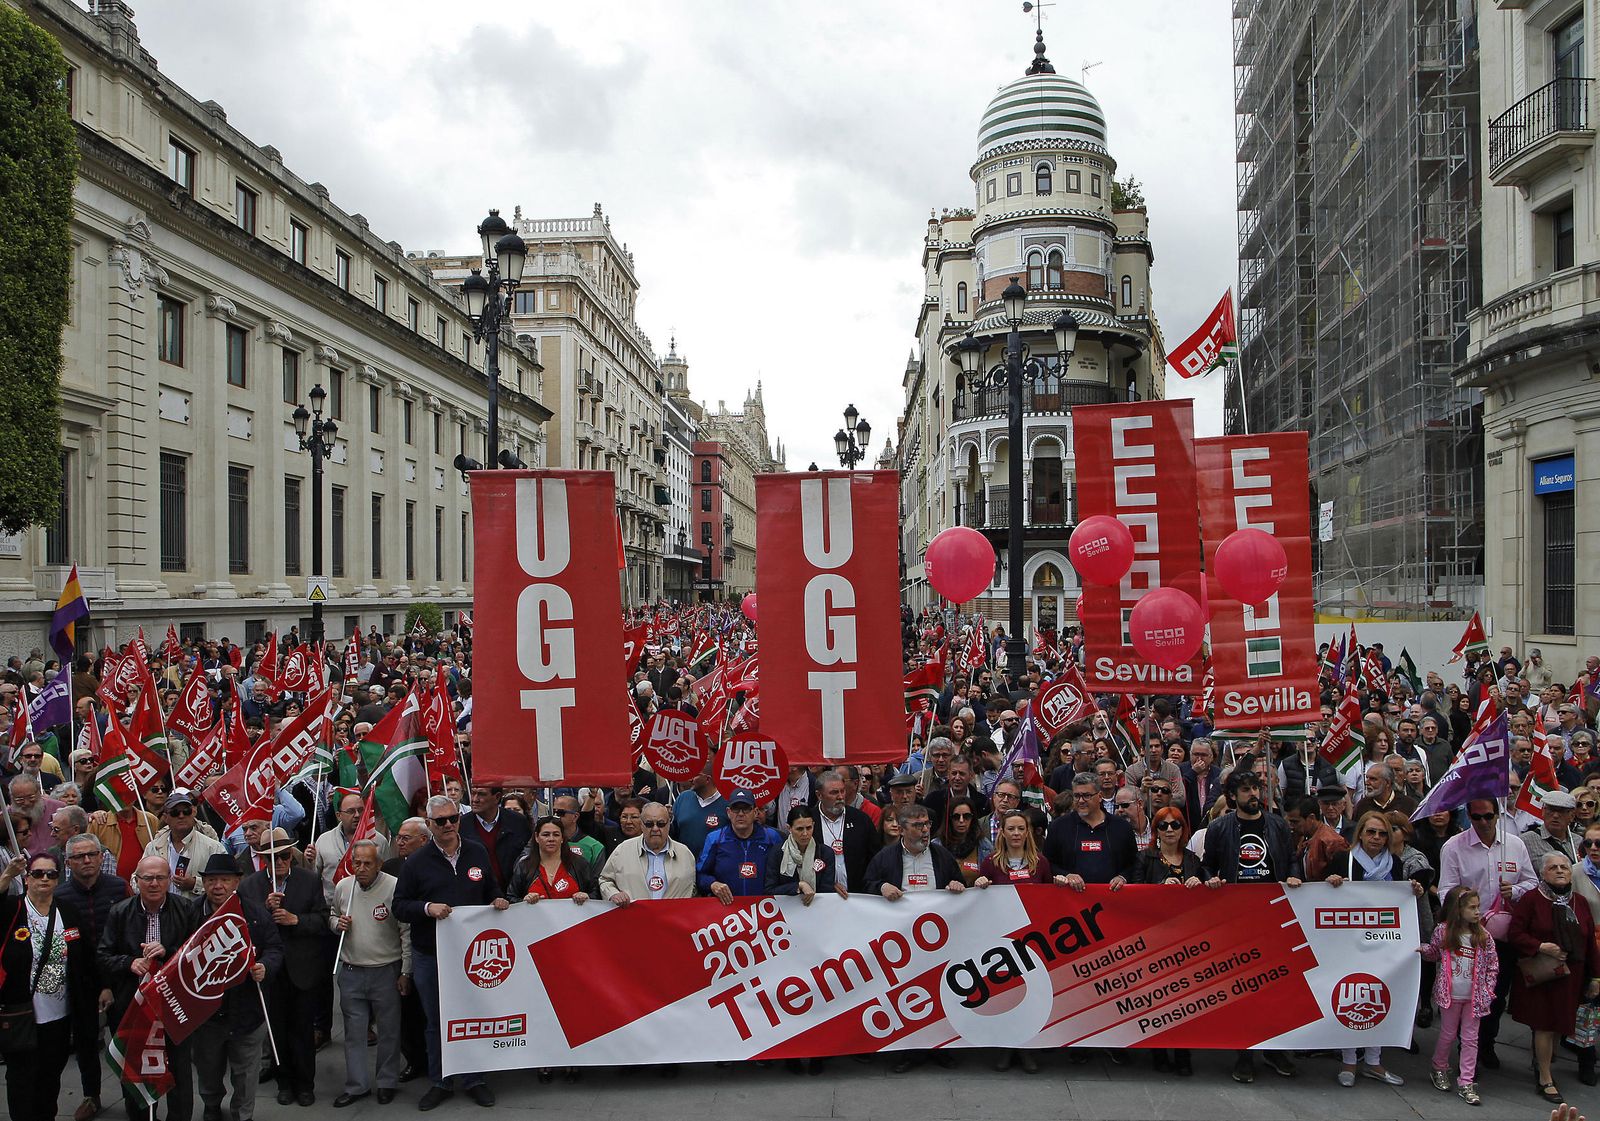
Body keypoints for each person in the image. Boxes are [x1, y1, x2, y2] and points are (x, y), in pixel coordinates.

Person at [392, 795, 511, 1109]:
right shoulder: (416, 862)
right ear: (429, 824)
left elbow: (491, 888)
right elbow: (399, 906)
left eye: (453, 818)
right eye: (441, 821)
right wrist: (427, 908)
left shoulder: (476, 851)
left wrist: (498, 899)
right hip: (430, 955)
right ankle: (440, 1081)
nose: (448, 825)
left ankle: (474, 1079)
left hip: (471, 955)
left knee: (470, 1017)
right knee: (436, 1020)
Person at [1201, 770, 1300, 1083]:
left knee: (1276, 986)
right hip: (1237, 917)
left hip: (1273, 914)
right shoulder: (1219, 827)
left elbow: (1292, 858)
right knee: (1243, 988)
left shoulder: (1278, 825)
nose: (1252, 794)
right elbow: (1206, 865)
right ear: (1232, 796)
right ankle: (1245, 1053)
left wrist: (1295, 875)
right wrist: (1210, 880)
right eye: (1245, 790)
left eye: (1255, 788)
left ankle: (1274, 1050)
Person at [1437, 797, 1539, 1069]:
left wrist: (1514, 891)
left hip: (1503, 936)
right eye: (1477, 817)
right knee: (1467, 995)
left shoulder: (1515, 845)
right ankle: (1465, 1048)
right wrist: (1467, 904)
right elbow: (1446, 890)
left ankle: (1487, 1044)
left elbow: (1532, 883)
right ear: (1468, 816)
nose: (1483, 822)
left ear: (1498, 814)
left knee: (1495, 993)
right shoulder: (1453, 847)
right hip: (1468, 935)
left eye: (1489, 816)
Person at [862, 804, 963, 1075]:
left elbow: (957, 881)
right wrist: (881, 887)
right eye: (918, 825)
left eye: (927, 824)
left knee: (942, 993)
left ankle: (943, 1048)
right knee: (908, 997)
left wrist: (956, 885)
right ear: (903, 829)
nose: (925, 830)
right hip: (901, 941)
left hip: (938, 941)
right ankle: (909, 1051)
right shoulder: (885, 857)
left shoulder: (941, 855)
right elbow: (867, 884)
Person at [97, 855, 198, 1121]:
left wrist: (169, 953)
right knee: (135, 1070)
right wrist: (130, 963)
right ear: (136, 881)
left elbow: (196, 954)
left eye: (160, 878)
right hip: (133, 1003)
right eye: (147, 878)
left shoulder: (185, 909)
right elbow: (103, 955)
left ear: (169, 880)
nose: (154, 883)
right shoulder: (120, 911)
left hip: (173, 1004)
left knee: (179, 1071)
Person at [0, 852, 97, 1121]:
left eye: (51, 874)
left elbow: (86, 954)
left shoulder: (67, 910)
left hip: (59, 1014)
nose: (44, 879)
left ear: (58, 878)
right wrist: (7, 874)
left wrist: (101, 988)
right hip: (22, 1014)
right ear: (27, 878)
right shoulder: (12, 909)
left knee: (50, 1077)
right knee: (21, 1080)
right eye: (38, 874)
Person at [241, 827, 329, 1108]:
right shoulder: (250, 886)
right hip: (270, 971)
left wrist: (296, 920)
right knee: (276, 1029)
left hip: (302, 968)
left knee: (302, 1030)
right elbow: (246, 930)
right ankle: (284, 1082)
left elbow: (323, 920)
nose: (280, 863)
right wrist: (264, 911)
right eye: (273, 858)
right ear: (263, 859)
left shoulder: (309, 880)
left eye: (284, 856)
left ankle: (306, 1085)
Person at [1322, 811, 1412, 1087]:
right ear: (1360, 833)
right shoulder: (1343, 859)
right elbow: (1320, 894)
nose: (1376, 838)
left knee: (1379, 997)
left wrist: (1413, 891)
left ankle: (1374, 1061)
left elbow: (1399, 898)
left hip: (1382, 940)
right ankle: (1349, 1060)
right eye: (1371, 832)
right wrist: (1332, 883)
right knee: (1350, 996)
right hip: (1347, 940)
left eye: (1382, 833)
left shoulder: (1395, 864)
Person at [189, 853, 281, 1121]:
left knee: (246, 1071)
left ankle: (243, 1113)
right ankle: (211, 1106)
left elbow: (275, 948)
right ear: (204, 883)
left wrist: (265, 966)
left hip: (247, 1010)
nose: (218, 886)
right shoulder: (191, 912)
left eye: (225, 880)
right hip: (206, 1013)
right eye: (212, 880)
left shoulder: (255, 913)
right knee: (208, 1068)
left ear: (237, 882)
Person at [1508, 852, 1600, 1103]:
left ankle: (1541, 1060)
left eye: (1564, 867)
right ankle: (1545, 1078)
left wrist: (1596, 977)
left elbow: (1589, 939)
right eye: (1553, 868)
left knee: (1559, 1024)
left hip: (1572, 976)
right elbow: (1515, 933)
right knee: (1544, 1025)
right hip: (1543, 975)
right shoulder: (1531, 900)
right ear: (1543, 873)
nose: (1560, 871)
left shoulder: (1579, 902)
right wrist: (1540, 946)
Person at [331, 839, 410, 1107]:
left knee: (388, 1031)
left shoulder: (394, 887)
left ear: (379, 864)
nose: (361, 868)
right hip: (351, 970)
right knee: (354, 1032)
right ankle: (356, 1085)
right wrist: (335, 923)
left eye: (367, 863)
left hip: (386, 970)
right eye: (357, 863)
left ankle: (387, 1081)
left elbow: (405, 931)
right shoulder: (344, 887)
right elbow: (331, 915)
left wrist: (405, 972)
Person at [53, 834, 126, 1121]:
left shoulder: (118, 888)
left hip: (120, 976)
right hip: (82, 980)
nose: (87, 861)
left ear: (100, 857)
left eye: (92, 854)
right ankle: (91, 1095)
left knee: (125, 1039)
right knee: (85, 1043)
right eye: (79, 856)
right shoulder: (60, 896)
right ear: (68, 862)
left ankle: (132, 1095)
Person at [1419, 886, 1496, 1106]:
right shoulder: (1443, 931)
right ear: (1457, 909)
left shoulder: (1484, 936)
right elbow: (1435, 953)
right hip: (1450, 995)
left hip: (1475, 998)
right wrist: (1423, 950)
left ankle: (1466, 1081)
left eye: (1478, 907)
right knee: (1448, 1034)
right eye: (1472, 907)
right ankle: (1439, 1067)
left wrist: (1488, 991)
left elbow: (1493, 965)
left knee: (1471, 1039)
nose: (1477, 912)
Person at [1043, 773, 1138, 892]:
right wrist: (1066, 875)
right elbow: (1048, 863)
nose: (1081, 801)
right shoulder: (1058, 826)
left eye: (1086, 796)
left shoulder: (1121, 827)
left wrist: (1123, 877)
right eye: (1077, 796)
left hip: (1114, 899)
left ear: (1099, 796)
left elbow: (1134, 863)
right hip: (1072, 901)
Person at [598, 802, 696, 903]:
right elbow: (605, 880)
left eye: (661, 824)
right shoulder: (622, 850)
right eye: (649, 824)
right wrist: (613, 894)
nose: (655, 829)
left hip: (672, 917)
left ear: (669, 824)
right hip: (635, 916)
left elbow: (693, 890)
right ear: (641, 825)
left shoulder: (685, 854)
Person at [697, 791, 781, 903]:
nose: (740, 814)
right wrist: (712, 884)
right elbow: (700, 874)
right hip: (727, 913)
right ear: (728, 812)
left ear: (755, 812)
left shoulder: (771, 838)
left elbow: (783, 875)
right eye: (735, 809)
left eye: (746, 809)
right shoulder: (715, 839)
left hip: (764, 911)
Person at [142, 789, 222, 900]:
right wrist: (153, 885)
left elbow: (226, 882)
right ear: (166, 817)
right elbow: (136, 879)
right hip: (163, 911)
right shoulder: (153, 847)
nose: (181, 816)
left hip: (196, 912)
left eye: (186, 811)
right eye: (175, 813)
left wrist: (195, 884)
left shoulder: (213, 847)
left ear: (193, 813)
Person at [458, 783, 530, 892]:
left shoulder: (518, 822)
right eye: (473, 794)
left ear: (497, 797)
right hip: (477, 898)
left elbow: (529, 857)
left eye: (481, 794)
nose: (475, 799)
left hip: (514, 896)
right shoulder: (461, 826)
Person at [508, 817, 598, 902]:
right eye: (546, 835)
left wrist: (587, 896)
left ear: (562, 838)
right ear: (536, 837)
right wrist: (524, 900)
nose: (551, 839)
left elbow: (596, 893)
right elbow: (511, 897)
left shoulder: (579, 864)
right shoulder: (524, 866)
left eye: (556, 834)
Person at [764, 804, 840, 902]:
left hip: (817, 910)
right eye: (799, 829)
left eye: (809, 828)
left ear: (813, 825)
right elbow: (769, 890)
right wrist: (799, 885)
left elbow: (827, 891)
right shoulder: (777, 852)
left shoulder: (825, 853)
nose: (805, 833)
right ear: (789, 828)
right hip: (787, 912)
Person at [936, 795, 990, 885]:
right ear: (949, 819)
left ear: (973, 818)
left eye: (967, 816)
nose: (961, 820)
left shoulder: (984, 846)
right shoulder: (936, 846)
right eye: (956, 817)